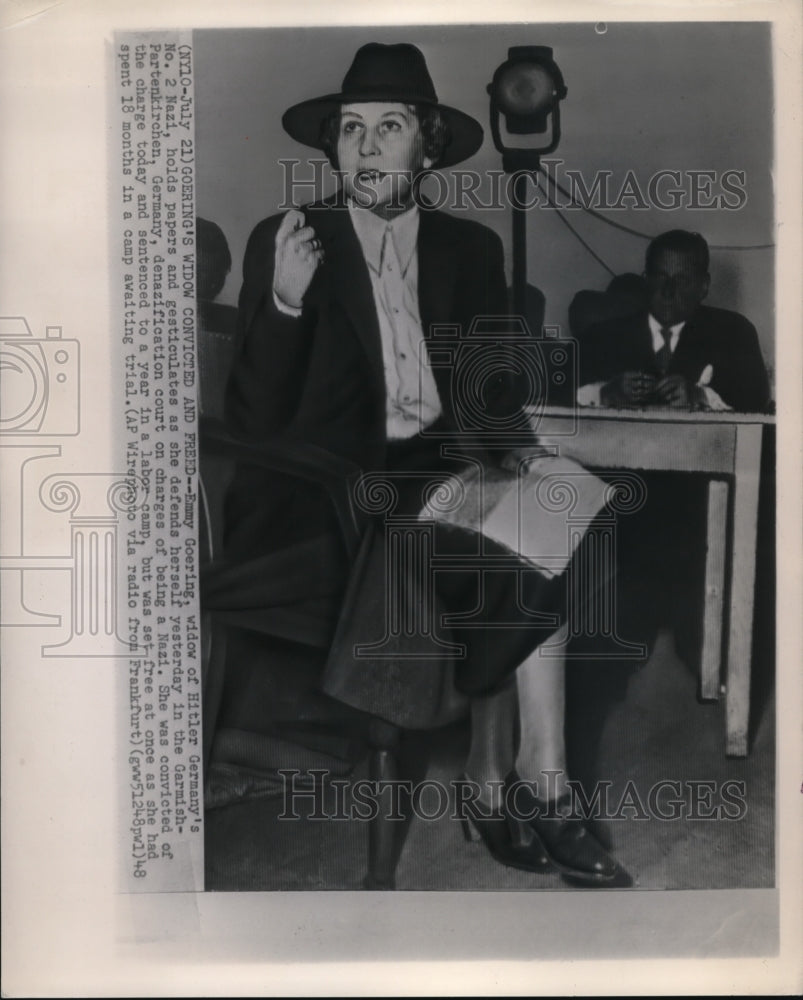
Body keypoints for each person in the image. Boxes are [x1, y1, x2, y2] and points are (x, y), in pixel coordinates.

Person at [223, 43, 629, 886]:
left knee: (566, 498)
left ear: (428, 146)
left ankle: (519, 776)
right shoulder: (292, 239)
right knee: (525, 532)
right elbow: (255, 420)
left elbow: (484, 389)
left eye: (390, 126)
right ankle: (527, 785)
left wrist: (514, 449)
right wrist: (287, 300)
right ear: (332, 148)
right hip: (337, 489)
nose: (366, 147)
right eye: (350, 129)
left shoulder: (467, 249)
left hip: (440, 467)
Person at [577, 229, 770, 413]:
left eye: (681, 281)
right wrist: (604, 394)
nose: (668, 291)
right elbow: (555, 396)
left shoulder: (735, 333)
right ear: (646, 280)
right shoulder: (602, 336)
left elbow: (757, 402)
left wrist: (699, 396)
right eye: (660, 278)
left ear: (703, 286)